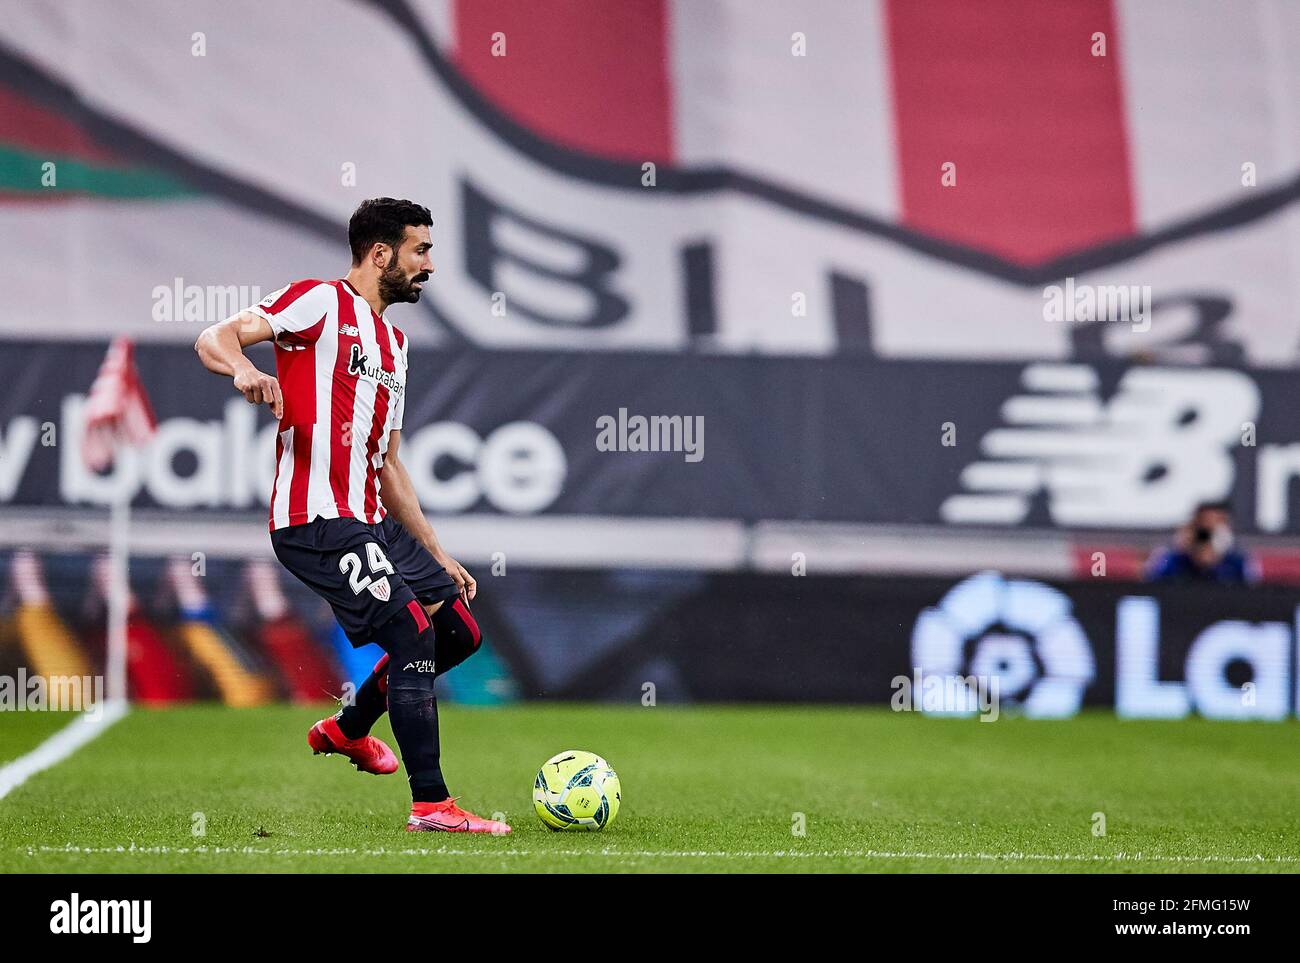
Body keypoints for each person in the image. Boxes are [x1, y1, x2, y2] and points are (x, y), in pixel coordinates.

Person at [194, 197, 509, 834]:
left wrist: (437, 551)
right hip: (316, 520)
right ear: (380, 254)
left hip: (372, 519)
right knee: (412, 634)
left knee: (459, 634)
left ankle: (348, 727)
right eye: (421, 250)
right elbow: (213, 337)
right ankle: (432, 805)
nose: (429, 265)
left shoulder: (394, 345)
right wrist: (246, 370)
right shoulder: (317, 302)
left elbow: (389, 464)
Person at [1144, 501, 1258, 585]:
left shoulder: (1238, 562)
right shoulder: (1170, 559)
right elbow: (1151, 584)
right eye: (1204, 523)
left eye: (1216, 524)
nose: (1208, 531)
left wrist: (1214, 560)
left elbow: (1250, 593)